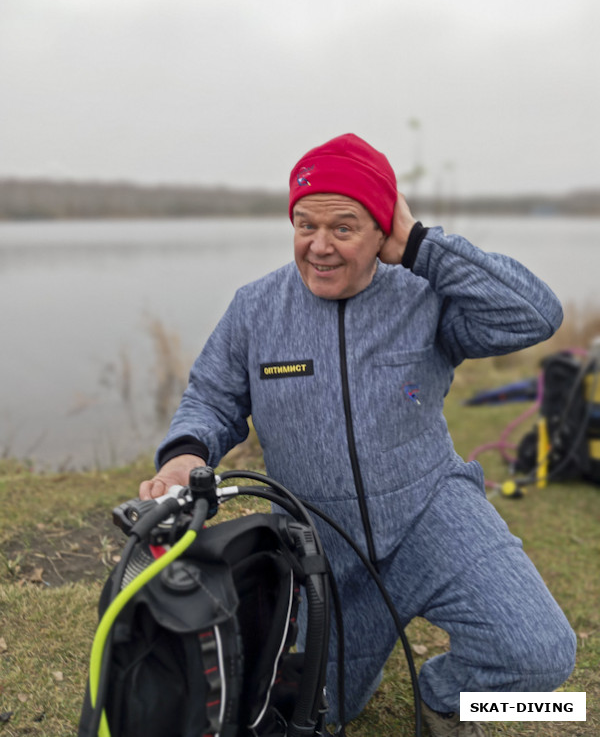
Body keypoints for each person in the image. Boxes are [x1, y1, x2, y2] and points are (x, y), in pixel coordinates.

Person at [140, 134, 576, 736]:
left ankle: (448, 701)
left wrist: (423, 247)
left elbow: (537, 315)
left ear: (383, 231)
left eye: (344, 227)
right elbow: (212, 398)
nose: (319, 246)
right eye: (304, 224)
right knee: (318, 714)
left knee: (544, 663)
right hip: (322, 549)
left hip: (434, 515)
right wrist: (186, 455)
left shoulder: (425, 295)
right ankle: (357, 667)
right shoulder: (255, 308)